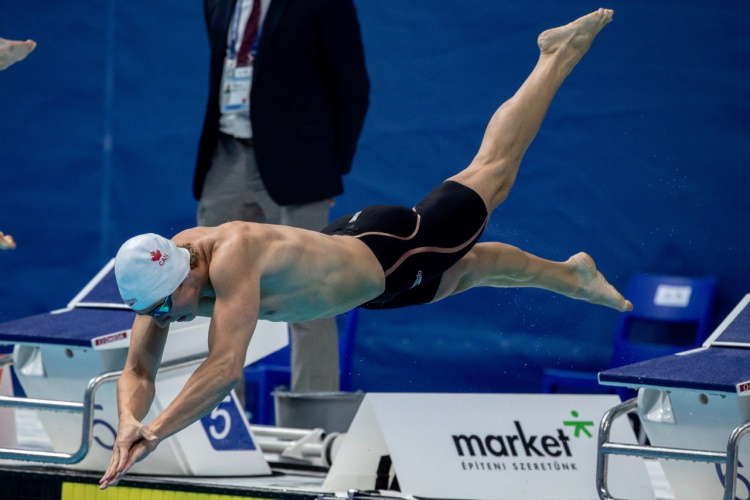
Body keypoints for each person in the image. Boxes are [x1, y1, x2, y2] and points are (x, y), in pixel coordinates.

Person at [101, 9, 627, 489]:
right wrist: (128, 420)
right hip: (363, 287)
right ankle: (571, 275)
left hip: (389, 248)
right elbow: (138, 371)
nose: (165, 317)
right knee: (465, 271)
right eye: (155, 312)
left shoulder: (233, 253)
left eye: (167, 305)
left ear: (186, 272)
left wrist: (156, 429)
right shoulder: (161, 276)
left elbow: (224, 368)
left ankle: (555, 55)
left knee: (492, 172)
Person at [195, 0, 370, 393]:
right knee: (211, 290)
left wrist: (328, 170)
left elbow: (352, 85)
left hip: (300, 165)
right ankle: (222, 422)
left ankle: (313, 427)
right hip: (225, 157)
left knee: (311, 296)